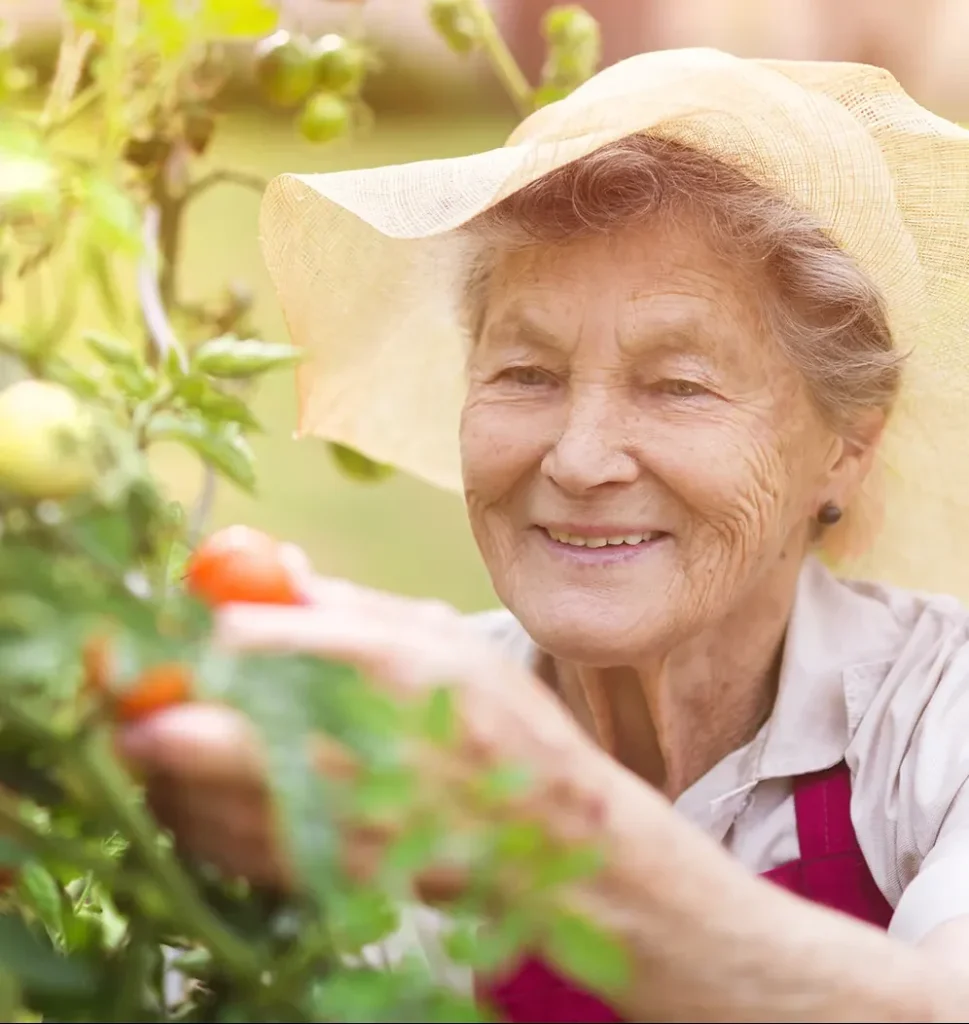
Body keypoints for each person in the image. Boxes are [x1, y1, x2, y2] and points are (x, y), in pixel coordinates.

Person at [118, 49, 969, 1020]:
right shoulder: (376, 738)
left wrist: (552, 835)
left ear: (847, 447)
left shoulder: (940, 717)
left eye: (678, 386)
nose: (579, 456)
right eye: (526, 373)